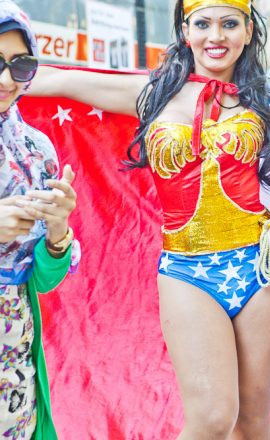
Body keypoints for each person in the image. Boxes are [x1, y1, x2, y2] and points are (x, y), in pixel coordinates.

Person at [31, 0, 270, 438]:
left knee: (252, 419)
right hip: (188, 270)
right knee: (212, 419)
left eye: (230, 24)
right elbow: (60, 79)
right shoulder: (152, 94)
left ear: (248, 32)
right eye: (203, 24)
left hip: (265, 266)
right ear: (185, 31)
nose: (216, 36)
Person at [0, 2, 78, 439]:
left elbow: (44, 282)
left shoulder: (36, 150)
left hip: (16, 369)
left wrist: (57, 230)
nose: (7, 80)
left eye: (21, 64)